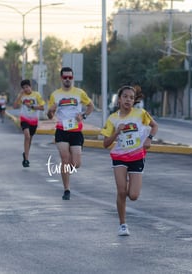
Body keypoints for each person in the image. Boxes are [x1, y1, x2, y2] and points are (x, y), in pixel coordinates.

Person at [100, 85, 158, 236]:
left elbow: (154, 126)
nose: (128, 100)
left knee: (133, 195)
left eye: (131, 98)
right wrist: (116, 132)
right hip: (119, 157)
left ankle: (126, 188)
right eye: (125, 96)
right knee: (121, 191)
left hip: (137, 156)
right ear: (119, 99)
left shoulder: (140, 114)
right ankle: (122, 224)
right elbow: (105, 144)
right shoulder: (112, 119)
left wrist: (149, 139)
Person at [47, 67, 94, 200]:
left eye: (70, 77)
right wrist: (51, 111)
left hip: (76, 131)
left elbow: (91, 106)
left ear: (73, 78)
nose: (67, 80)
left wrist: (83, 116)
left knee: (76, 163)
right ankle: (66, 189)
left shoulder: (79, 93)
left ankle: (66, 171)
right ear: (61, 78)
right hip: (61, 130)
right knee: (65, 159)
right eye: (65, 77)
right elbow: (49, 115)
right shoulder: (55, 94)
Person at [13, 79, 45, 167]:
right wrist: (19, 95)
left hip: (34, 120)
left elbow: (42, 107)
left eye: (27, 87)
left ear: (30, 86)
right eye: (24, 88)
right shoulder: (22, 96)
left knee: (29, 139)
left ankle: (25, 154)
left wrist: (32, 106)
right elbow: (15, 106)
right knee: (26, 136)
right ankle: (26, 159)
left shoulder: (36, 95)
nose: (26, 89)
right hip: (24, 118)